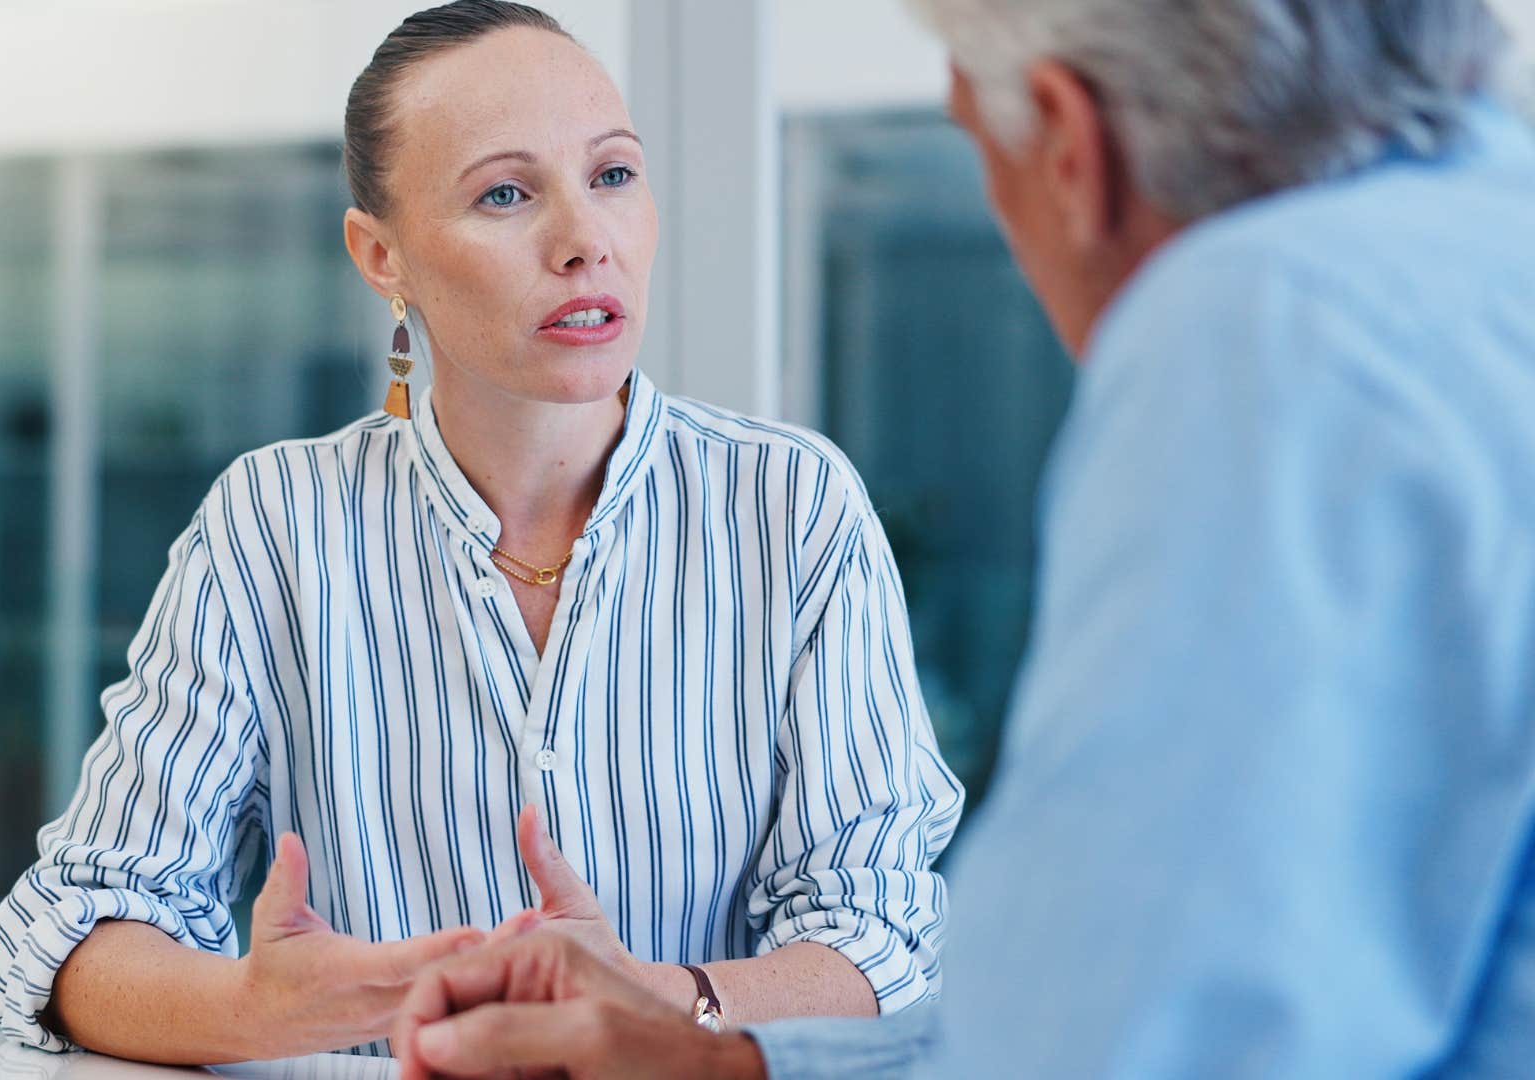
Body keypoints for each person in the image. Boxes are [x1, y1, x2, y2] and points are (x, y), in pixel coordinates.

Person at [390, 1, 1535, 1076]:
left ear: (1072, 151)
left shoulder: (1267, 325)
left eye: (973, 141)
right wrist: (728, 1057)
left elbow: (1106, 1039)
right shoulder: (1485, 247)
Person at [0, 0, 963, 1064]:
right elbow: (65, 928)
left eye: (614, 175)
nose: (586, 241)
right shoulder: (274, 526)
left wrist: (660, 1001)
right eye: (505, 193)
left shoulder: (792, 507)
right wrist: (258, 1008)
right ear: (381, 255)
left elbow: (882, 937)